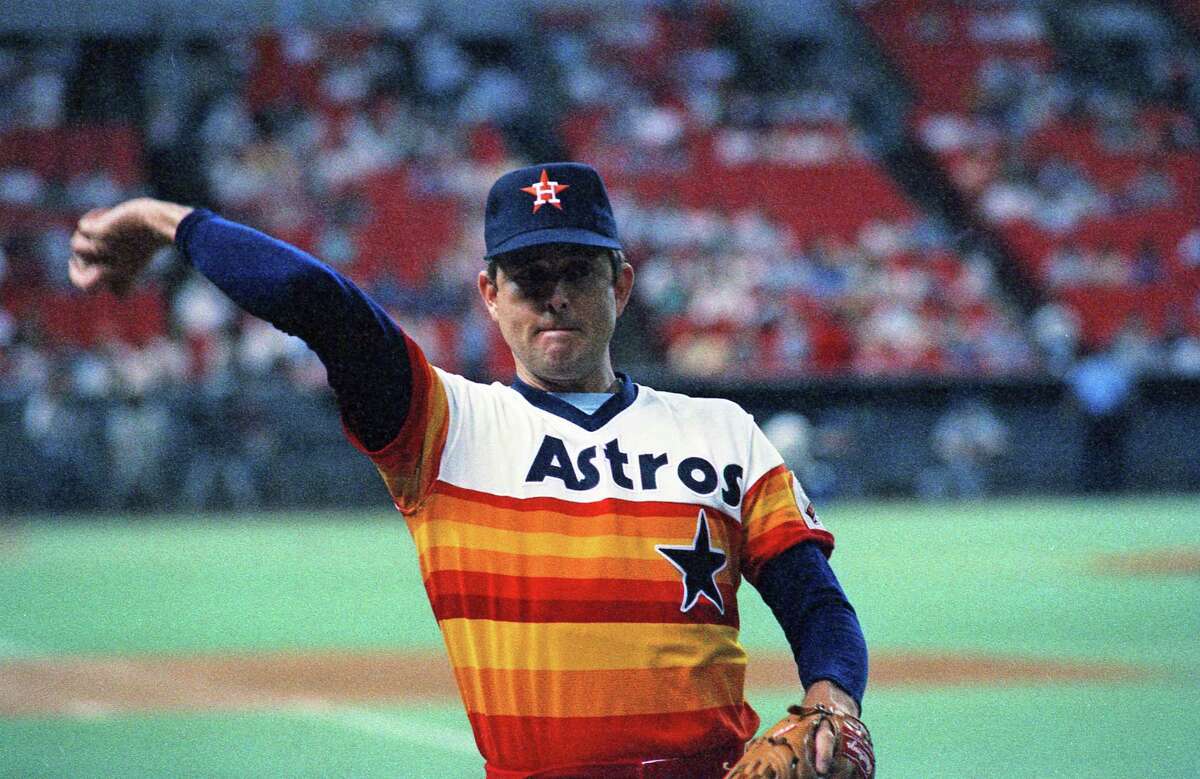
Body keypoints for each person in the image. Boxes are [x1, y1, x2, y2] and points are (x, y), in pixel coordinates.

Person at [68, 162, 871, 779]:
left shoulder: (721, 431)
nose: (554, 296)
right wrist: (165, 220)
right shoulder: (440, 427)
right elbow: (322, 305)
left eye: (578, 272)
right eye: (530, 276)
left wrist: (834, 696)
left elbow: (813, 598)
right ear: (489, 292)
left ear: (621, 283)